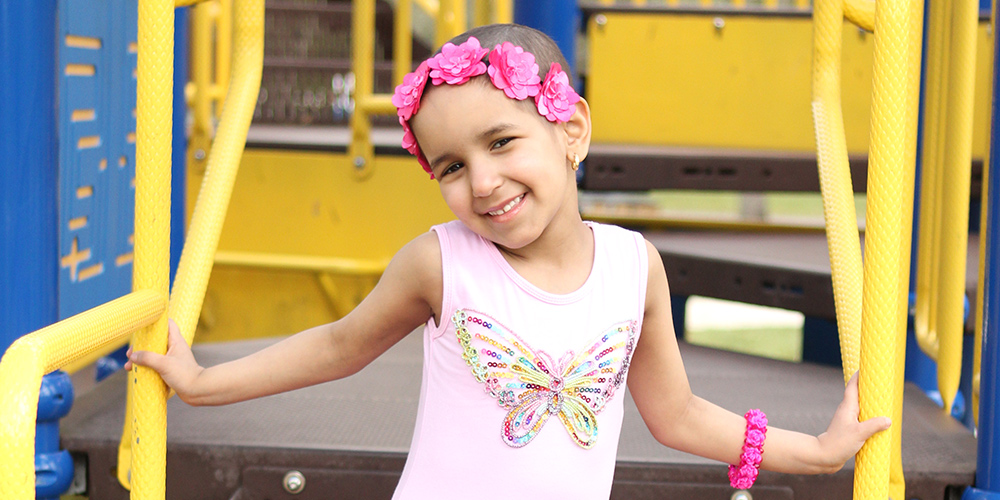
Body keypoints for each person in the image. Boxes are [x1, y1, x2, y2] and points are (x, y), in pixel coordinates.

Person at [127, 23, 891, 499]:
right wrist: (200, 385)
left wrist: (816, 454)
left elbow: (678, 414)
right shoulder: (441, 264)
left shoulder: (634, 267)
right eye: (451, 166)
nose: (481, 181)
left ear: (572, 129)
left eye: (500, 142)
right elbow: (338, 347)